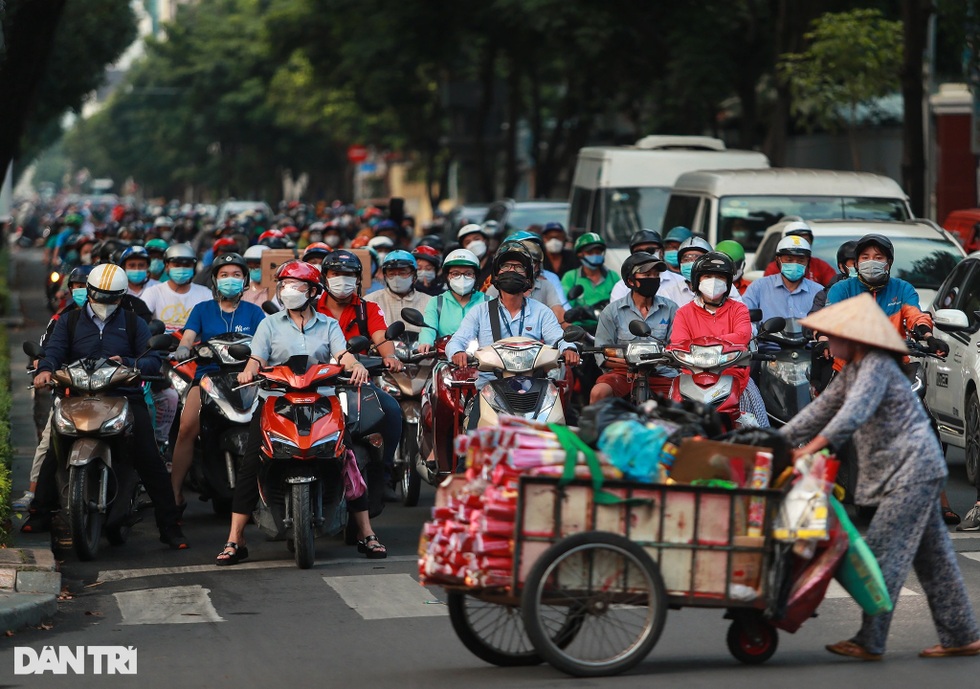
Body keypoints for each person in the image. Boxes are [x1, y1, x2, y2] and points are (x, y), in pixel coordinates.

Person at [781, 293, 980, 660]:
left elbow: (850, 416)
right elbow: (821, 409)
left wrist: (808, 450)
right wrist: (777, 442)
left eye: (834, 333)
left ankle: (870, 640)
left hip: (911, 472)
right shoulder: (852, 369)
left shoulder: (875, 367)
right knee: (934, 562)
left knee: (884, 554)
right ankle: (961, 634)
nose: (829, 340)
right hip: (911, 472)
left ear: (854, 336)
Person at [216, 261, 386, 565]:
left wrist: (356, 365)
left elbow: (342, 354)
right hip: (275, 401)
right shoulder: (269, 324)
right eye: (284, 285)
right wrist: (247, 371)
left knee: (346, 457)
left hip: (323, 401)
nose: (288, 291)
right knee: (252, 462)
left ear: (312, 292)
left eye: (296, 285)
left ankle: (366, 532)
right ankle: (235, 538)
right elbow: (256, 358)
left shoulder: (328, 324)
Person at [24, 264, 187, 549]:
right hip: (76, 396)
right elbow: (54, 352)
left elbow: (151, 360)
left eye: (111, 298)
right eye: (98, 295)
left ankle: (169, 526)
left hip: (123, 396)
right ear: (87, 292)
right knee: (53, 450)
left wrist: (130, 363)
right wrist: (45, 371)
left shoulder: (134, 322)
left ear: (122, 297)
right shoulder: (69, 322)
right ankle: (39, 513)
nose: (103, 303)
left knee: (148, 457)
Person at [821, 233, 958, 524]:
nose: (872, 262)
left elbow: (915, 315)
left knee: (927, 426)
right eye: (866, 257)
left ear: (889, 263)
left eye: (879, 257)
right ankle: (816, 501)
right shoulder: (842, 290)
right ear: (855, 264)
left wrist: (927, 335)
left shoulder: (902, 288)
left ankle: (938, 499)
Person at [168, 253, 266, 511]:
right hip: (208, 378)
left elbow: (269, 343)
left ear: (245, 280)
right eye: (224, 275)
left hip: (249, 378)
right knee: (187, 428)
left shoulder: (255, 313)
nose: (230, 280)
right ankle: (174, 493)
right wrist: (183, 348)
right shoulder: (202, 310)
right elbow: (188, 337)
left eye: (236, 275)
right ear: (215, 280)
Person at [446, 243, 580, 428]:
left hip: (536, 387)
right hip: (491, 388)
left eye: (518, 267)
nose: (512, 270)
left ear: (528, 275)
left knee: (558, 434)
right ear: (496, 274)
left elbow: (558, 339)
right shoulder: (480, 311)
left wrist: (569, 349)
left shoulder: (541, 311)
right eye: (506, 266)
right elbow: (457, 340)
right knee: (473, 442)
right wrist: (457, 352)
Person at [316, 250, 404, 501]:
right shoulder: (311, 308)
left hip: (357, 383)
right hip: (315, 385)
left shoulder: (368, 310)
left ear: (357, 279)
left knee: (391, 410)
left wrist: (391, 357)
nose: (342, 280)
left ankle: (384, 473)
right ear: (324, 277)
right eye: (336, 274)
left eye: (349, 275)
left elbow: (382, 338)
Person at [669, 252, 755, 416]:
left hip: (734, 376)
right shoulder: (683, 313)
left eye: (720, 277)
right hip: (692, 377)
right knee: (673, 421)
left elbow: (743, 336)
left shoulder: (739, 309)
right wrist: (721, 342)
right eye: (708, 276)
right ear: (697, 280)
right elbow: (678, 343)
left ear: (728, 282)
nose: (714, 282)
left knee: (754, 424)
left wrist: (701, 343)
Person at [592, 252, 678, 403]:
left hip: (662, 373)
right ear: (631, 281)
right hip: (624, 374)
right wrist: (631, 363)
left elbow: (676, 347)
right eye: (646, 275)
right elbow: (602, 355)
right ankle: (595, 427)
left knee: (684, 401)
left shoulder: (671, 308)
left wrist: (659, 361)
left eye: (656, 275)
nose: (653, 279)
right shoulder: (612, 311)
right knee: (598, 393)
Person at [417, 249, 486, 353]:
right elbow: (429, 327)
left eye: (468, 274)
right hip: (444, 358)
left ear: (475, 276)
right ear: (447, 276)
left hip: (482, 358)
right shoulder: (436, 302)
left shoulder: (488, 301)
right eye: (455, 273)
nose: (462, 278)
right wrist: (426, 342)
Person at [742, 235, 821, 323]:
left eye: (800, 260)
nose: (795, 264)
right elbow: (742, 317)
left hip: (808, 337)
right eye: (789, 260)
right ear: (778, 260)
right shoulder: (758, 287)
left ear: (808, 262)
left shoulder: (819, 291)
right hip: (766, 336)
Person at [141, 244, 213, 333]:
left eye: (187, 265)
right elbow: (141, 322)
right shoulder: (153, 292)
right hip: (160, 345)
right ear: (167, 266)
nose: (182, 269)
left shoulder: (206, 294)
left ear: (193, 268)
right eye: (177, 265)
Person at [661, 236, 743, 307]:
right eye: (686, 259)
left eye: (697, 259)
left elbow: (742, 316)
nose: (692, 263)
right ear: (680, 264)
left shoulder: (724, 286)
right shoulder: (669, 292)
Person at [365, 250, 431, 334]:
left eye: (402, 273)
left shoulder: (429, 301)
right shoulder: (371, 301)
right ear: (385, 276)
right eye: (391, 273)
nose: (397, 278)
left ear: (414, 275)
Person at [561, 233, 618, 331]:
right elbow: (564, 306)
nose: (595, 255)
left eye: (598, 252)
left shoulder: (613, 276)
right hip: (581, 329)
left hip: (609, 327)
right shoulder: (570, 277)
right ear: (580, 254)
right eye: (590, 252)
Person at [609, 229, 678, 301]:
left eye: (650, 250)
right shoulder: (622, 288)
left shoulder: (679, 283)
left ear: (661, 252)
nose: (645, 255)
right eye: (639, 252)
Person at [763, 221, 836, 286]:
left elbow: (834, 289)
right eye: (789, 260)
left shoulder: (820, 266)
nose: (800, 243)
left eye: (805, 240)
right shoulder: (773, 268)